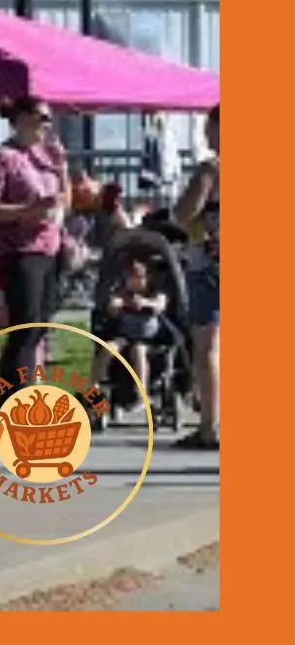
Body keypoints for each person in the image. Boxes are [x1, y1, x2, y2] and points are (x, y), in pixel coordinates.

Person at [0, 95, 68, 393]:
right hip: (18, 250)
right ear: (22, 120)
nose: (47, 126)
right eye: (42, 119)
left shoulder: (45, 156)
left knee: (40, 324)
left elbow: (64, 199)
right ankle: (12, 393)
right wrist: (28, 212)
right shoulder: (3, 157)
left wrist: (62, 168)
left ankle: (25, 387)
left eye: (49, 120)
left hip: (49, 247)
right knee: (24, 324)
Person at [173, 103, 219, 450]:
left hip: (211, 264)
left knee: (207, 346)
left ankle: (210, 426)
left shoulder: (211, 170)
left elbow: (183, 213)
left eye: (209, 126)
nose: (205, 133)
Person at [90, 257, 167, 394]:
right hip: (125, 335)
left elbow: (160, 305)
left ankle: (140, 390)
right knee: (108, 348)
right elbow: (112, 305)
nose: (136, 282)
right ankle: (93, 387)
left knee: (138, 351)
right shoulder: (122, 293)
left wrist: (145, 303)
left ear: (147, 278)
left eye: (139, 278)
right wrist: (119, 304)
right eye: (131, 278)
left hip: (147, 338)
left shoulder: (155, 293)